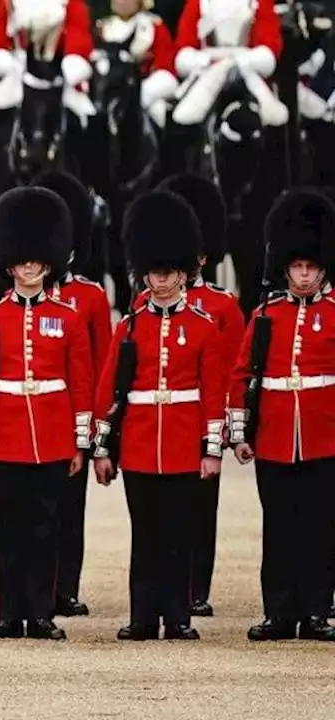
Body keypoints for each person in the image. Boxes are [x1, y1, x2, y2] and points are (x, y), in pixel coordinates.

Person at [0, 186, 90, 641]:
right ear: (10, 265)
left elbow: (81, 384)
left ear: (48, 264)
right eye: (22, 262)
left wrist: (80, 442)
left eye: (36, 262)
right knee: (8, 531)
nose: (29, 269)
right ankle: (11, 613)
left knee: (46, 530)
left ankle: (41, 613)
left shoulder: (67, 317)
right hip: (7, 436)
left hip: (52, 437)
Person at [93, 190, 224, 641]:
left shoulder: (204, 327)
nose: (161, 280)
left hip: (185, 443)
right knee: (145, 535)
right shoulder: (128, 327)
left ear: (184, 272)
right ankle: (144, 616)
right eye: (154, 272)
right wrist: (103, 448)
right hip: (141, 444)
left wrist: (212, 450)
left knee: (179, 535)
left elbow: (212, 393)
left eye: (168, 272)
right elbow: (110, 391)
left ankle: (179, 616)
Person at [134, 173, 242, 618]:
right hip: (158, 431)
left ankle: (195, 587)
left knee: (201, 513)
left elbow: (233, 372)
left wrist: (227, 432)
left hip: (196, 425)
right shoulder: (143, 307)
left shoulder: (221, 307)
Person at [229, 189, 335, 642]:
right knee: (278, 528)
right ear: (286, 267)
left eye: (310, 266)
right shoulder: (266, 314)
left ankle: (315, 611)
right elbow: (241, 375)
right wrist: (239, 432)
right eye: (297, 266)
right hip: (274, 437)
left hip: (324, 438)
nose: (304, 273)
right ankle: (279, 612)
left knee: (320, 528)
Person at [33, 170, 111, 619]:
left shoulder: (91, 297)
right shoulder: (15, 297)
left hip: (70, 423)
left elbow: (101, 368)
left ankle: (66, 586)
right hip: (29, 424)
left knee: (69, 510)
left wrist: (97, 431)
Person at [167, 0, 284, 167]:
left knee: (275, 117)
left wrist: (237, 61)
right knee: (184, 115)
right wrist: (206, 61)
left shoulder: (260, 3)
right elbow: (183, 52)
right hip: (206, 71)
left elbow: (269, 50)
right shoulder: (198, 4)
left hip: (247, 70)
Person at [0, 0, 96, 123]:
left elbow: (78, 38)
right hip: (18, 67)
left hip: (57, 69)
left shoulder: (71, 4)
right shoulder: (10, 3)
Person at [95, 0, 178, 126]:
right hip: (110, 84)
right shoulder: (101, 28)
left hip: (145, 83)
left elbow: (165, 64)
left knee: (156, 107)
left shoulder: (154, 26)